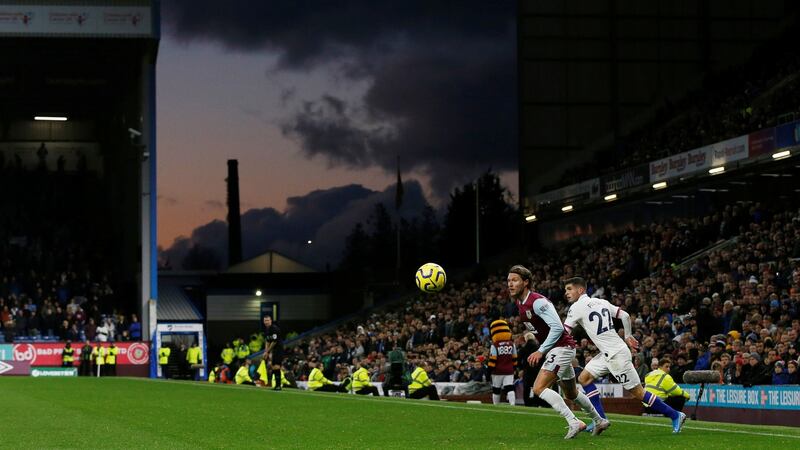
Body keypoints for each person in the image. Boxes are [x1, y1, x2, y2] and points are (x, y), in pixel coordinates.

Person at [563, 277, 687, 434]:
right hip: (608, 353)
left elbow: (564, 332)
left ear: (580, 290)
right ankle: (600, 420)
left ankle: (676, 415)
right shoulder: (601, 302)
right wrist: (627, 335)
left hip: (616, 355)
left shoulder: (576, 307)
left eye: (569, 289)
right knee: (584, 378)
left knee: (639, 393)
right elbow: (626, 316)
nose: (566, 293)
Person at [508, 266, 606, 439]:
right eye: (508, 281)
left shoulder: (538, 302)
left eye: (514, 280)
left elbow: (557, 327)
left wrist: (541, 350)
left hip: (562, 347)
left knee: (539, 388)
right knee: (571, 393)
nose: (510, 284)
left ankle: (573, 421)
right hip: (558, 349)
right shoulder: (519, 303)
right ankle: (599, 420)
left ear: (526, 282)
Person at [487, 319, 517, 406]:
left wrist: (489, 371)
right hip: (509, 370)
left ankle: (495, 405)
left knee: (496, 388)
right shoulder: (512, 344)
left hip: (497, 371)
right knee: (509, 387)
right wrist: (514, 368)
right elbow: (515, 358)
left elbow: (493, 360)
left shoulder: (494, 345)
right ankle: (512, 404)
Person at [263, 315, 285, 391]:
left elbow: (274, 342)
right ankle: (277, 385)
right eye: (265, 320)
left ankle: (278, 385)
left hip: (278, 349)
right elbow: (267, 341)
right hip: (274, 350)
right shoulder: (267, 330)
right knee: (273, 366)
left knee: (276, 366)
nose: (266, 322)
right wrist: (266, 352)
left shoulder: (274, 329)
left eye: (268, 320)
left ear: (271, 321)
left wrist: (268, 351)